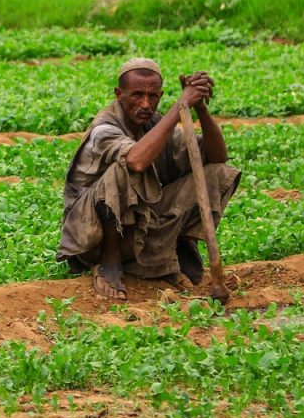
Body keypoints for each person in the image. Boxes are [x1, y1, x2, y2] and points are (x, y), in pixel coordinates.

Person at [57, 58, 240, 298]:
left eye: (153, 97)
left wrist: (199, 108)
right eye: (136, 96)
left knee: (218, 173)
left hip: (139, 228)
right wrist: (179, 106)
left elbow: (218, 156)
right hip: (93, 234)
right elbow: (136, 160)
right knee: (125, 168)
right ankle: (109, 262)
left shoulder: (155, 124)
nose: (145, 104)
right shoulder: (104, 128)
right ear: (119, 94)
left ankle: (165, 254)